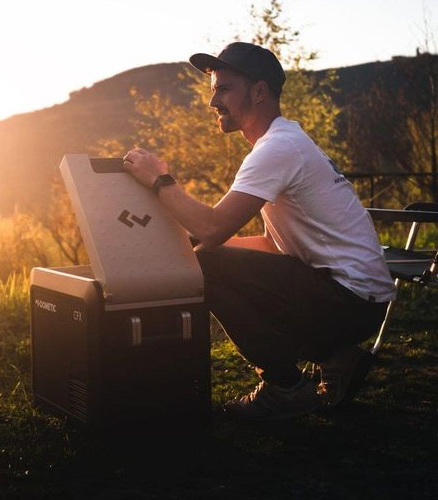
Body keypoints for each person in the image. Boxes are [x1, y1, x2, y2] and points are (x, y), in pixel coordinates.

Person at [123, 42, 396, 421]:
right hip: (358, 299)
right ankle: (336, 354)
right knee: (201, 254)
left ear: (259, 92)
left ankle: (286, 387)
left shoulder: (277, 148)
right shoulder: (285, 142)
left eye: (224, 89)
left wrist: (159, 180)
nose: (212, 101)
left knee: (205, 264)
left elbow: (213, 228)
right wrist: (191, 244)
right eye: (213, 89)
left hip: (350, 301)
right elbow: (271, 244)